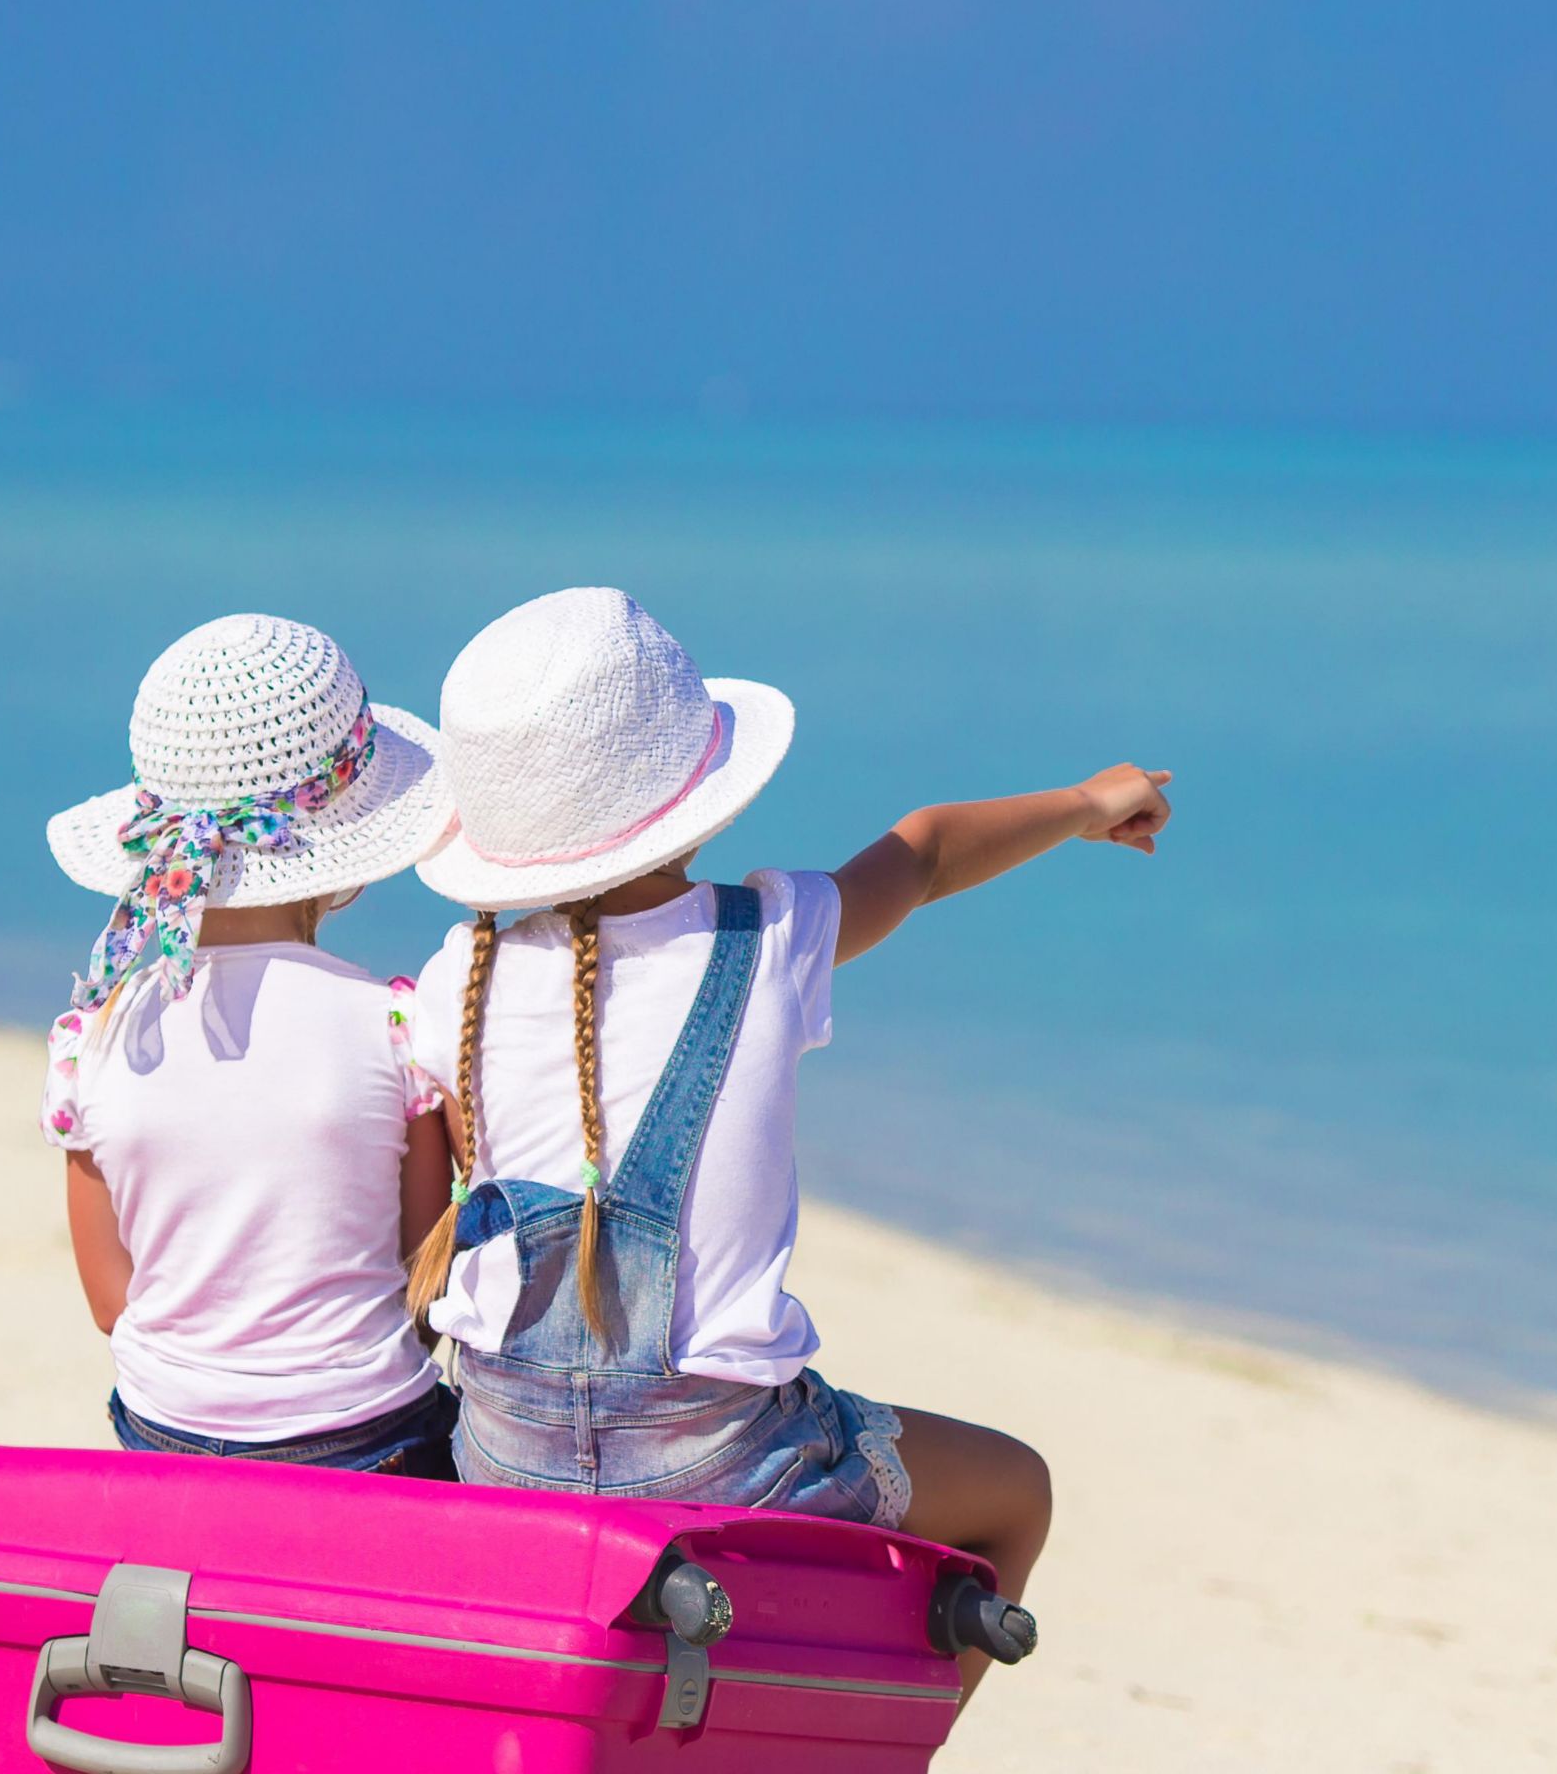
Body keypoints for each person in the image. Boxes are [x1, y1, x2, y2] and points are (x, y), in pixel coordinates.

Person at [400, 585, 1164, 1695]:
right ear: (697, 791)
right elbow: (930, 849)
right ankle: (888, 1734)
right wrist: (1094, 799)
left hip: (502, 1447)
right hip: (722, 1454)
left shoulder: (451, 981)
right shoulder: (763, 942)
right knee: (1014, 1490)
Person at [42, 613, 465, 1476]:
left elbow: (108, 1302)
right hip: (370, 1431)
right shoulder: (394, 1024)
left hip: (168, 1429)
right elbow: (422, 1281)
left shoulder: (92, 1036)